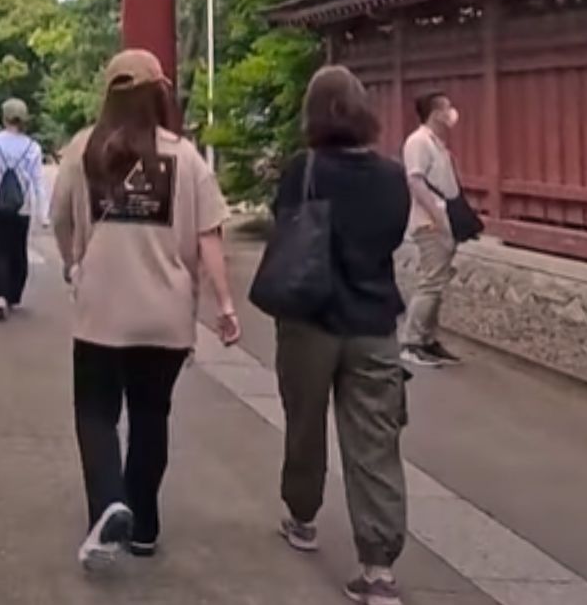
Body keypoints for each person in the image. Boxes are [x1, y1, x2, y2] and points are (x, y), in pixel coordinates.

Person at [51, 50, 239, 571]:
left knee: (96, 412)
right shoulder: (186, 157)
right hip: (166, 315)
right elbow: (209, 238)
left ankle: (110, 503)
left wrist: (74, 263)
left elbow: (60, 218)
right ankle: (145, 525)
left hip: (101, 310)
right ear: (160, 94)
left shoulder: (83, 150)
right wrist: (225, 305)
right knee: (152, 415)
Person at [273, 66, 413, 605]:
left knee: (304, 424)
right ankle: (378, 568)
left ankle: (302, 517)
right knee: (376, 441)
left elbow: (284, 226)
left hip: (309, 319)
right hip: (374, 322)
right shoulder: (392, 176)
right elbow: (392, 236)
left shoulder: (302, 170)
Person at [401, 91, 464, 369]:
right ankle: (412, 341)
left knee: (437, 283)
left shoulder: (437, 143)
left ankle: (428, 338)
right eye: (447, 107)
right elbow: (415, 181)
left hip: (442, 219)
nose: (452, 112)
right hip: (430, 221)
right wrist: (438, 216)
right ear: (436, 112)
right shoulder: (419, 142)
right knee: (431, 281)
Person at [0, 97, 45, 320]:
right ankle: (13, 295)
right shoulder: (33, 147)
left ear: (3, 117)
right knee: (17, 251)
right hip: (21, 210)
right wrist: (43, 213)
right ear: (24, 120)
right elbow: (38, 183)